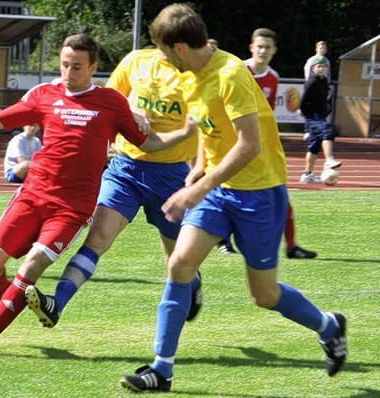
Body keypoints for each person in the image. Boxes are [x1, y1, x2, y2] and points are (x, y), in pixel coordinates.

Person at [0, 33, 197, 357]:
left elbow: (146, 144)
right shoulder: (45, 95)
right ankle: (8, 294)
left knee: (33, 265)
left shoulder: (111, 102)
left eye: (76, 67)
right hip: (32, 195)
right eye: (64, 65)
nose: (68, 73)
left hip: (71, 209)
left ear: (93, 67)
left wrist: (185, 133)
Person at [118, 4, 347, 393]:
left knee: (264, 294)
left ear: (179, 47)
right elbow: (212, 130)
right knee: (180, 265)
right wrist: (200, 167)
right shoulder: (189, 75)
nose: (159, 58)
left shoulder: (230, 74)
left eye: (162, 49)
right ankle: (162, 369)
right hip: (219, 191)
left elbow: (250, 145)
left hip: (259, 195)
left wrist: (196, 187)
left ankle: (328, 326)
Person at [24, 41, 201, 330]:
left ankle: (192, 281)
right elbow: (110, 97)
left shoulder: (192, 73)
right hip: (126, 168)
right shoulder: (135, 61)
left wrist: (199, 169)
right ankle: (57, 304)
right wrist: (131, 108)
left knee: (177, 258)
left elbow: (201, 125)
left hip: (170, 175)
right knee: (97, 238)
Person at [217, 28, 317, 259]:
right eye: (259, 46)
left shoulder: (273, 77)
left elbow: (266, 114)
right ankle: (223, 240)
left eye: (267, 47)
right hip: (233, 145)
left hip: (261, 149)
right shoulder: (236, 70)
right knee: (226, 191)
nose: (263, 50)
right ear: (251, 47)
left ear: (274, 51)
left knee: (280, 192)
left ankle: (291, 246)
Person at [299, 56, 341, 184]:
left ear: (326, 68)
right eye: (318, 66)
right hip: (312, 116)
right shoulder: (312, 81)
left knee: (314, 146)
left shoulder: (324, 82)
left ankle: (307, 175)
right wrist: (304, 113)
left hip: (319, 116)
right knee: (328, 129)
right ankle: (329, 159)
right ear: (313, 69)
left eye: (323, 66)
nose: (321, 68)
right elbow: (304, 99)